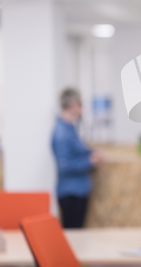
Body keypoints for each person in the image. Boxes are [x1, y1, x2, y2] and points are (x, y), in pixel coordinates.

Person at [51, 88, 103, 228]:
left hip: (79, 190)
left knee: (79, 234)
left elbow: (79, 149)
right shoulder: (61, 133)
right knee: (72, 235)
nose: (82, 109)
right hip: (70, 193)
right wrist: (90, 161)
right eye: (80, 105)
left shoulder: (71, 128)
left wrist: (91, 153)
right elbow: (65, 165)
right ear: (73, 105)